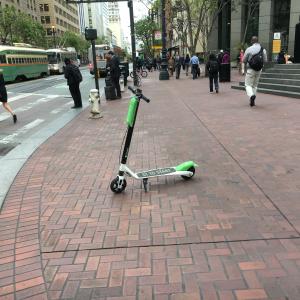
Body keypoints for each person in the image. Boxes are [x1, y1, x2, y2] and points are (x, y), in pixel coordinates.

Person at [243, 36, 267, 107]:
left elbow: (244, 60)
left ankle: (251, 96)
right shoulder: (263, 49)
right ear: (258, 41)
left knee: (248, 85)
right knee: (255, 85)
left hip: (250, 69)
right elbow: (265, 60)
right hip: (259, 70)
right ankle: (252, 101)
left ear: (252, 41)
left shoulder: (249, 49)